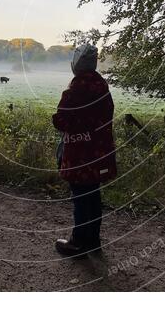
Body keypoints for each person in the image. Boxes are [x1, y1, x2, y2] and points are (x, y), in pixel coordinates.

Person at [52, 43, 117, 257]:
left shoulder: (74, 90)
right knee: (93, 196)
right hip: (99, 152)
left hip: (79, 154)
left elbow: (62, 121)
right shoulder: (102, 87)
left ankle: (78, 243)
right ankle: (93, 241)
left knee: (80, 197)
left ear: (76, 64)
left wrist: (57, 118)